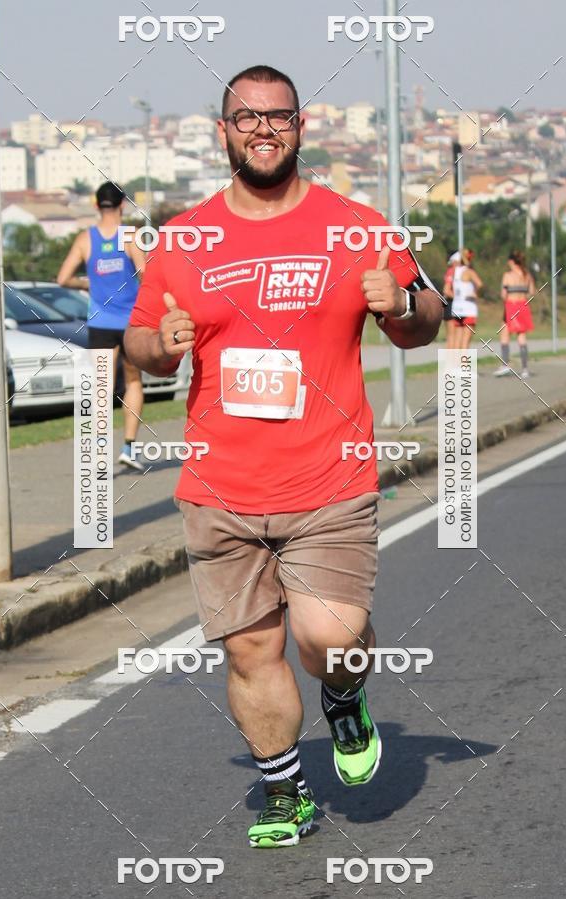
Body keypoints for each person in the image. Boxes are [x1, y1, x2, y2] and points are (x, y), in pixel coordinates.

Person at [124, 65, 443, 849]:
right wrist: (156, 347)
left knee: (327, 635)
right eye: (246, 118)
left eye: (277, 117)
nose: (262, 130)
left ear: (302, 127)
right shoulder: (184, 239)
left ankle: (343, 691)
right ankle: (286, 793)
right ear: (222, 130)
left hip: (328, 478)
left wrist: (401, 305)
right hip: (220, 483)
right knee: (251, 647)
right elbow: (136, 337)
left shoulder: (358, 224)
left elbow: (431, 312)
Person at [57, 182, 147, 470]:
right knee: (133, 380)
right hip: (131, 321)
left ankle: (99, 449)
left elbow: (62, 279)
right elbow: (146, 273)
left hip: (101, 323)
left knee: (102, 386)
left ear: (97, 206)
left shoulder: (86, 239)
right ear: (123, 204)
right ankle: (129, 448)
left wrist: (88, 282)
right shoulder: (130, 236)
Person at [494, 250, 535, 378]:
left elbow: (503, 295)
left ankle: (505, 364)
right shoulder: (527, 275)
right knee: (521, 336)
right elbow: (532, 292)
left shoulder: (508, 275)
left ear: (511, 261)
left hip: (511, 306)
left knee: (504, 333)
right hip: (523, 305)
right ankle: (525, 369)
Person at [449, 248, 482, 350]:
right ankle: (464, 365)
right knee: (465, 343)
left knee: (457, 340)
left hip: (457, 307)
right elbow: (480, 284)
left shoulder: (454, 271)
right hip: (468, 307)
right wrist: (474, 292)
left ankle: (455, 364)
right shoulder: (469, 271)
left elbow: (449, 288)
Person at [443, 251, 461, 348]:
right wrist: (460, 298)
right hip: (451, 305)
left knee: (456, 336)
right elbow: (446, 290)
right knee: (453, 337)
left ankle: (454, 361)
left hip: (454, 305)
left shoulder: (457, 271)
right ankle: (452, 361)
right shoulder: (452, 271)